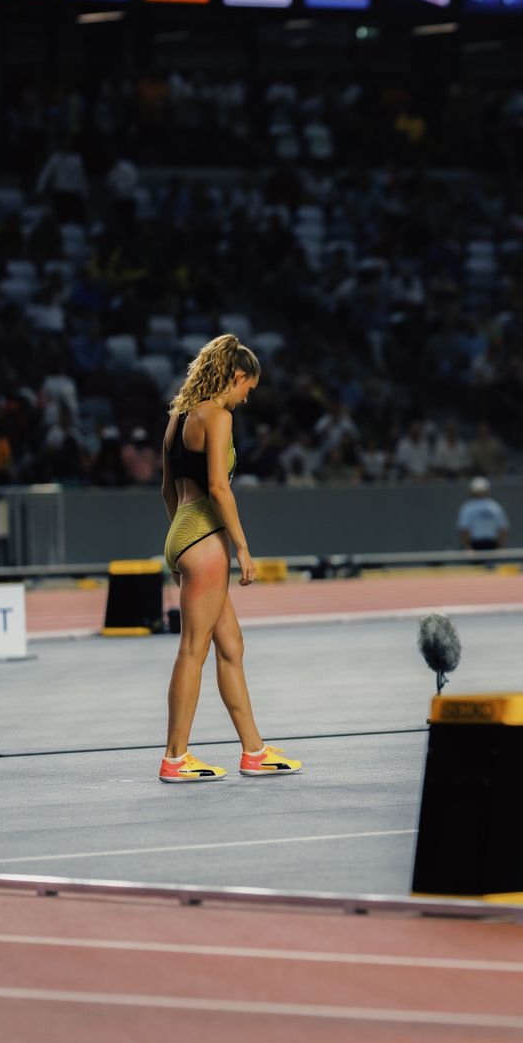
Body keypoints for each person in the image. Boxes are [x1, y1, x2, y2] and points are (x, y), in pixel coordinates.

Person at [158, 334, 301, 785]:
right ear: (237, 376)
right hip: (205, 540)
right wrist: (241, 548)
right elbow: (220, 488)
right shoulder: (217, 417)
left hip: (183, 533)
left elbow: (167, 487)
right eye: (248, 389)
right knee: (193, 650)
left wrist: (181, 543)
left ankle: (254, 750)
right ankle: (174, 758)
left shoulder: (178, 417)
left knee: (231, 646)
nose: (246, 398)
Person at [457, 476, 509, 552]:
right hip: (476, 545)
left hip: (490, 544)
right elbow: (464, 529)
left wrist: (500, 546)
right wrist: (467, 546)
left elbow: (503, 528)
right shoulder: (494, 506)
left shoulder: (493, 506)